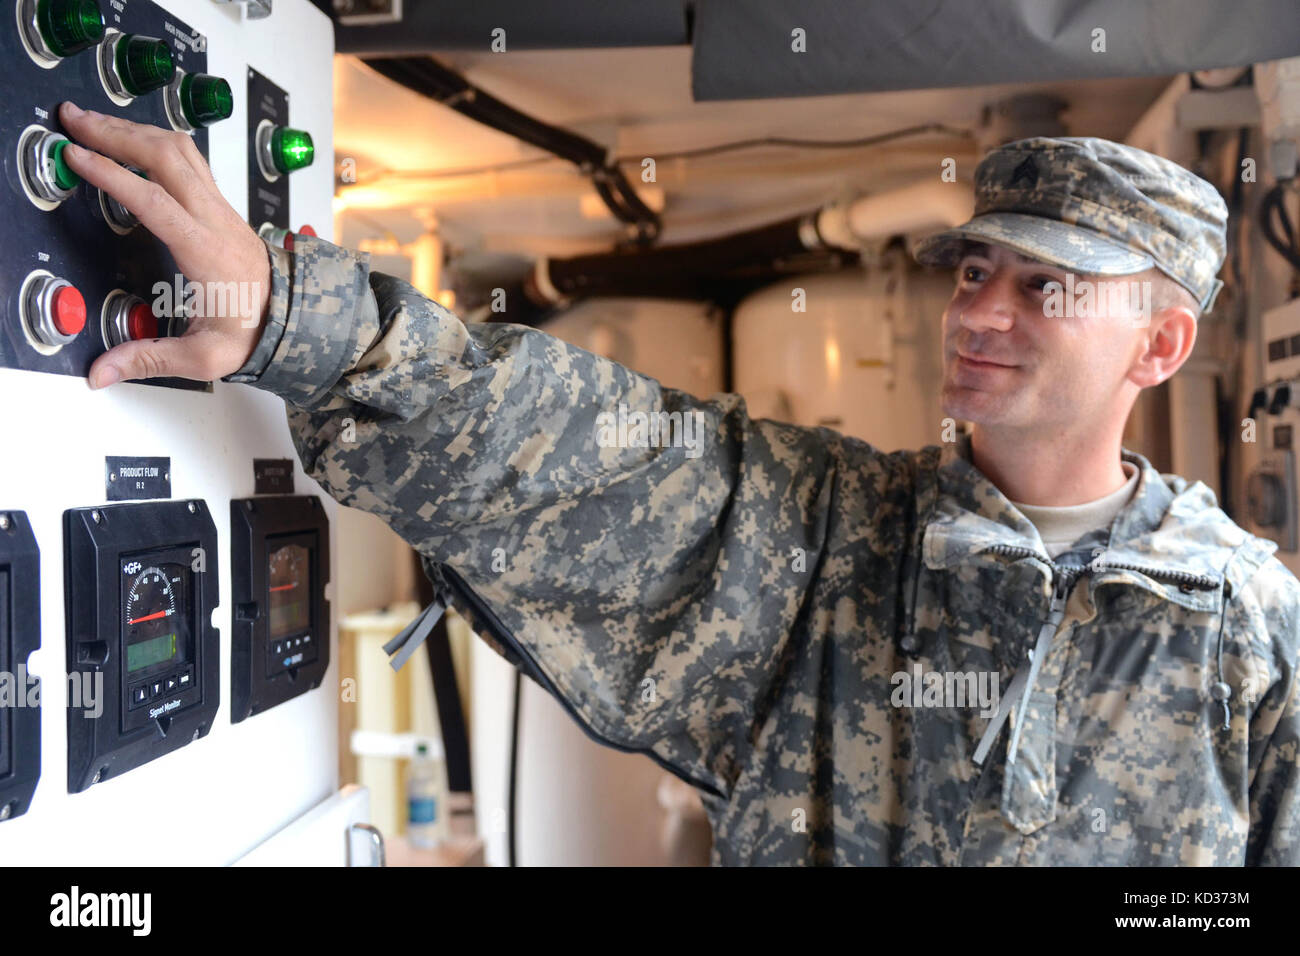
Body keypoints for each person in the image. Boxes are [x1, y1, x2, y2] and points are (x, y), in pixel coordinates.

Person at [57, 100, 1300, 865]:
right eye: (974, 270)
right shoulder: (828, 541)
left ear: (1159, 344)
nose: (979, 310)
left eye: (1045, 287)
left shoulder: (1248, 625)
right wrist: (295, 314)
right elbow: (570, 439)